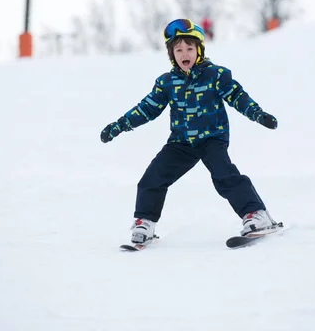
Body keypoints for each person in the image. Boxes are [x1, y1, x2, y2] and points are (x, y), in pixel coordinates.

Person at [100, 19, 280, 245]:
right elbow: (147, 108)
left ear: (199, 50)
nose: (184, 53)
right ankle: (144, 223)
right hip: (181, 142)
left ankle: (257, 215)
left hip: (212, 138)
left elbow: (237, 97)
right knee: (152, 178)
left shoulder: (216, 75)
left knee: (224, 176)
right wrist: (118, 125)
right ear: (171, 54)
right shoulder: (167, 82)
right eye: (178, 50)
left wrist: (258, 114)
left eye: (189, 48)